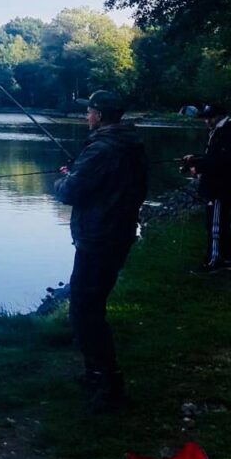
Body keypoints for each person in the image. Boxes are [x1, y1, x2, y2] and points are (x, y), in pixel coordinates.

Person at [54, 89, 149, 408]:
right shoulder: (130, 144)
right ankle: (96, 374)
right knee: (91, 305)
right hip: (117, 232)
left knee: (84, 308)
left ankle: (108, 383)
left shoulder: (102, 149)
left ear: (100, 115)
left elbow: (70, 192)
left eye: (90, 110)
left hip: (99, 235)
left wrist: (63, 180)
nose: (86, 115)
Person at [186, 103, 231, 272]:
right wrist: (195, 158)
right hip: (216, 185)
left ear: (218, 115)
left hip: (221, 187)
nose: (206, 121)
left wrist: (199, 167)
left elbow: (223, 161)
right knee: (218, 223)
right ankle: (228, 260)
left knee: (215, 225)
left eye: (209, 117)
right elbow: (213, 156)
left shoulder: (229, 131)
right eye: (205, 117)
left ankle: (214, 262)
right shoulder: (220, 131)